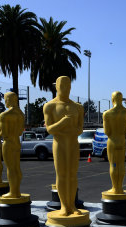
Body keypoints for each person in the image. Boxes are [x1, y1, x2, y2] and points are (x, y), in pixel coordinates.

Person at [43, 76, 84, 216]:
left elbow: (80, 129)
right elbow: (49, 129)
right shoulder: (50, 106)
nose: (66, 88)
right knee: (61, 175)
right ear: (56, 87)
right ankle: (64, 206)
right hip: (59, 144)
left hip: (73, 144)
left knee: (72, 175)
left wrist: (69, 128)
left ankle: (72, 205)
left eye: (68, 85)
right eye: (62, 85)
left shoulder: (77, 107)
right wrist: (63, 123)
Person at [103, 91, 126, 194]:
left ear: (112, 99)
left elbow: (107, 131)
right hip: (122, 140)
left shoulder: (107, 114)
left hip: (112, 141)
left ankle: (115, 188)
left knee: (113, 164)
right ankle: (120, 187)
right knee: (121, 165)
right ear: (121, 99)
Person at [0, 92, 25, 198]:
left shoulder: (5, 115)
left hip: (8, 142)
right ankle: (17, 190)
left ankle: (13, 192)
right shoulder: (20, 114)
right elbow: (20, 132)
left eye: (5, 99)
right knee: (16, 167)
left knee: (10, 168)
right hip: (16, 142)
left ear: (8, 100)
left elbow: (3, 133)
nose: (5, 102)